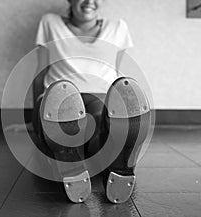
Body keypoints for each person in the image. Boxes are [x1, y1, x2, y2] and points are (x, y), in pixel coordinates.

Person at [32, 0, 151, 203]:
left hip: (102, 95)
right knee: (65, 121)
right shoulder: (50, 22)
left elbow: (116, 72)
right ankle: (96, 159)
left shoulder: (117, 27)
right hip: (58, 96)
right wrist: (33, 117)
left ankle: (106, 160)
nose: (89, 1)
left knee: (97, 119)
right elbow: (40, 71)